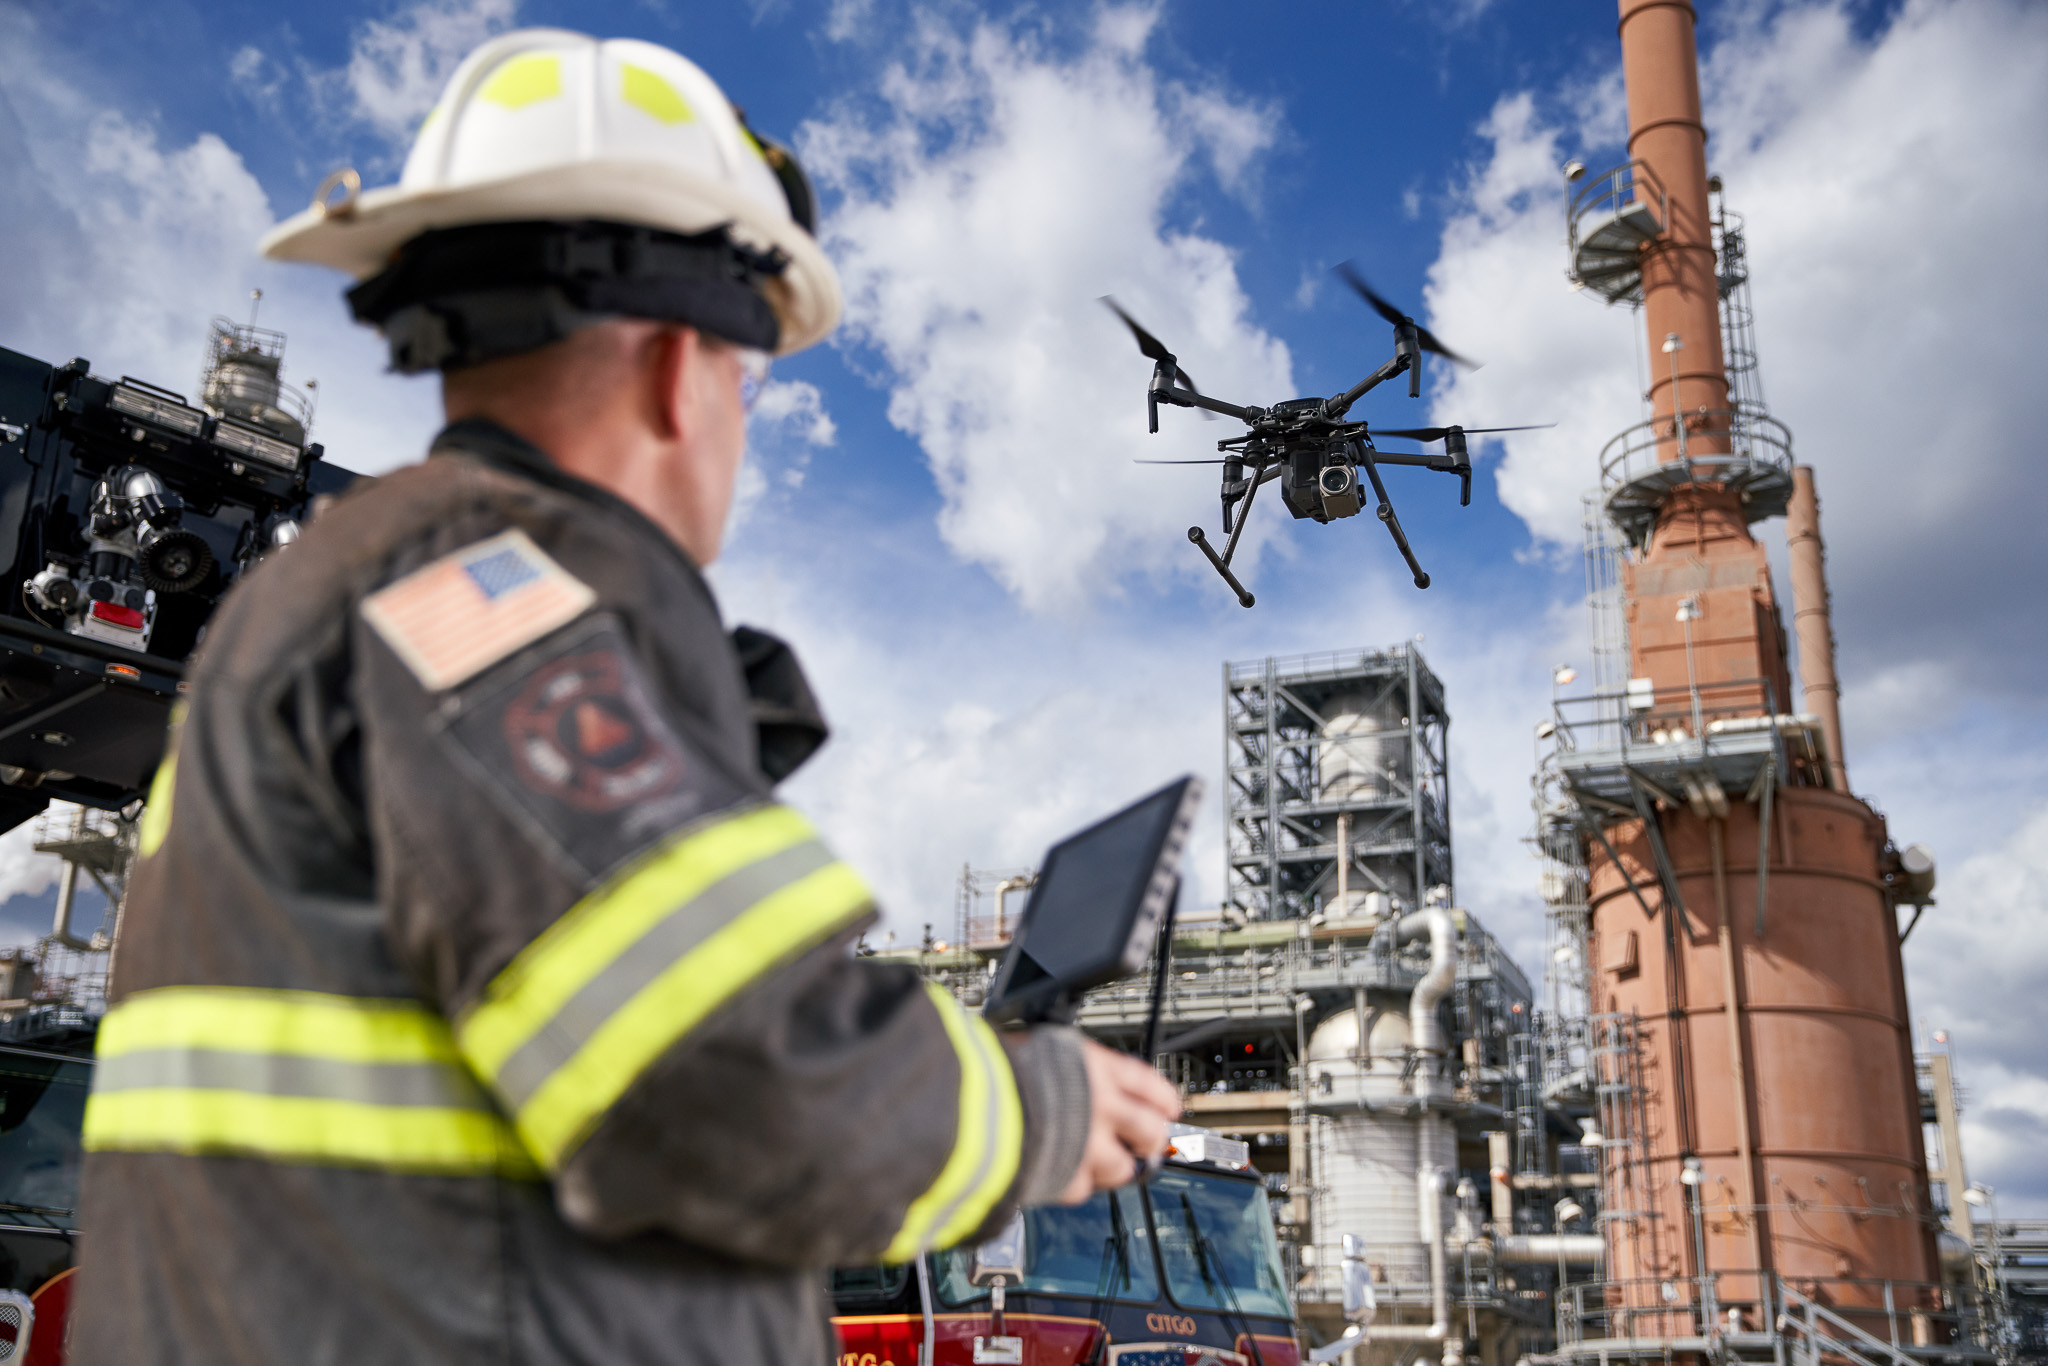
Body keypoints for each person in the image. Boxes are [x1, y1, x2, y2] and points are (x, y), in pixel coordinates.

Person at [73, 28, 1180, 1366]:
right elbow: (728, 1078)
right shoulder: (476, 609)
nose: (743, 415)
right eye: (745, 376)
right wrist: (1042, 1103)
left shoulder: (335, 605)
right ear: (676, 365)